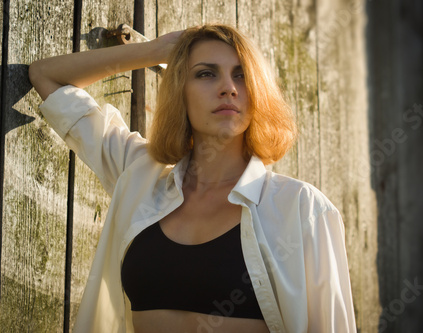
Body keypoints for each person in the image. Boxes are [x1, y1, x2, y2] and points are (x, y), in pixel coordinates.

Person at [29, 24, 356, 333]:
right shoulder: (139, 176)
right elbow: (46, 76)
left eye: (242, 75)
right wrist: (155, 51)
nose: (228, 88)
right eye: (206, 73)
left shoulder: (302, 208)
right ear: (179, 91)